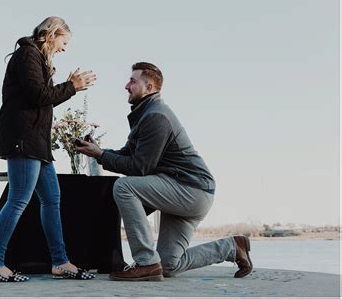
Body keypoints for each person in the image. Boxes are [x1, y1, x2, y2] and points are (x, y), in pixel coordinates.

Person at [76, 62, 253, 281]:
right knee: (169, 265)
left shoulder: (155, 116)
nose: (126, 86)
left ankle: (145, 263)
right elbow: (128, 154)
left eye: (133, 81)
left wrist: (101, 156)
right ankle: (232, 247)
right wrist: (99, 151)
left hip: (190, 190)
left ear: (149, 87)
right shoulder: (147, 114)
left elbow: (140, 167)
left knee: (124, 187)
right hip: (184, 191)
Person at [0, 16, 97, 282]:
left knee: (51, 199)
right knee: (19, 199)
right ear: (51, 34)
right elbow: (39, 97)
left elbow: (42, 101)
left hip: (37, 142)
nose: (65, 48)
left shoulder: (38, 60)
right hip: (23, 139)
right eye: (64, 42)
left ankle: (60, 262)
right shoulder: (27, 55)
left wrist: (66, 87)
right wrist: (72, 87)